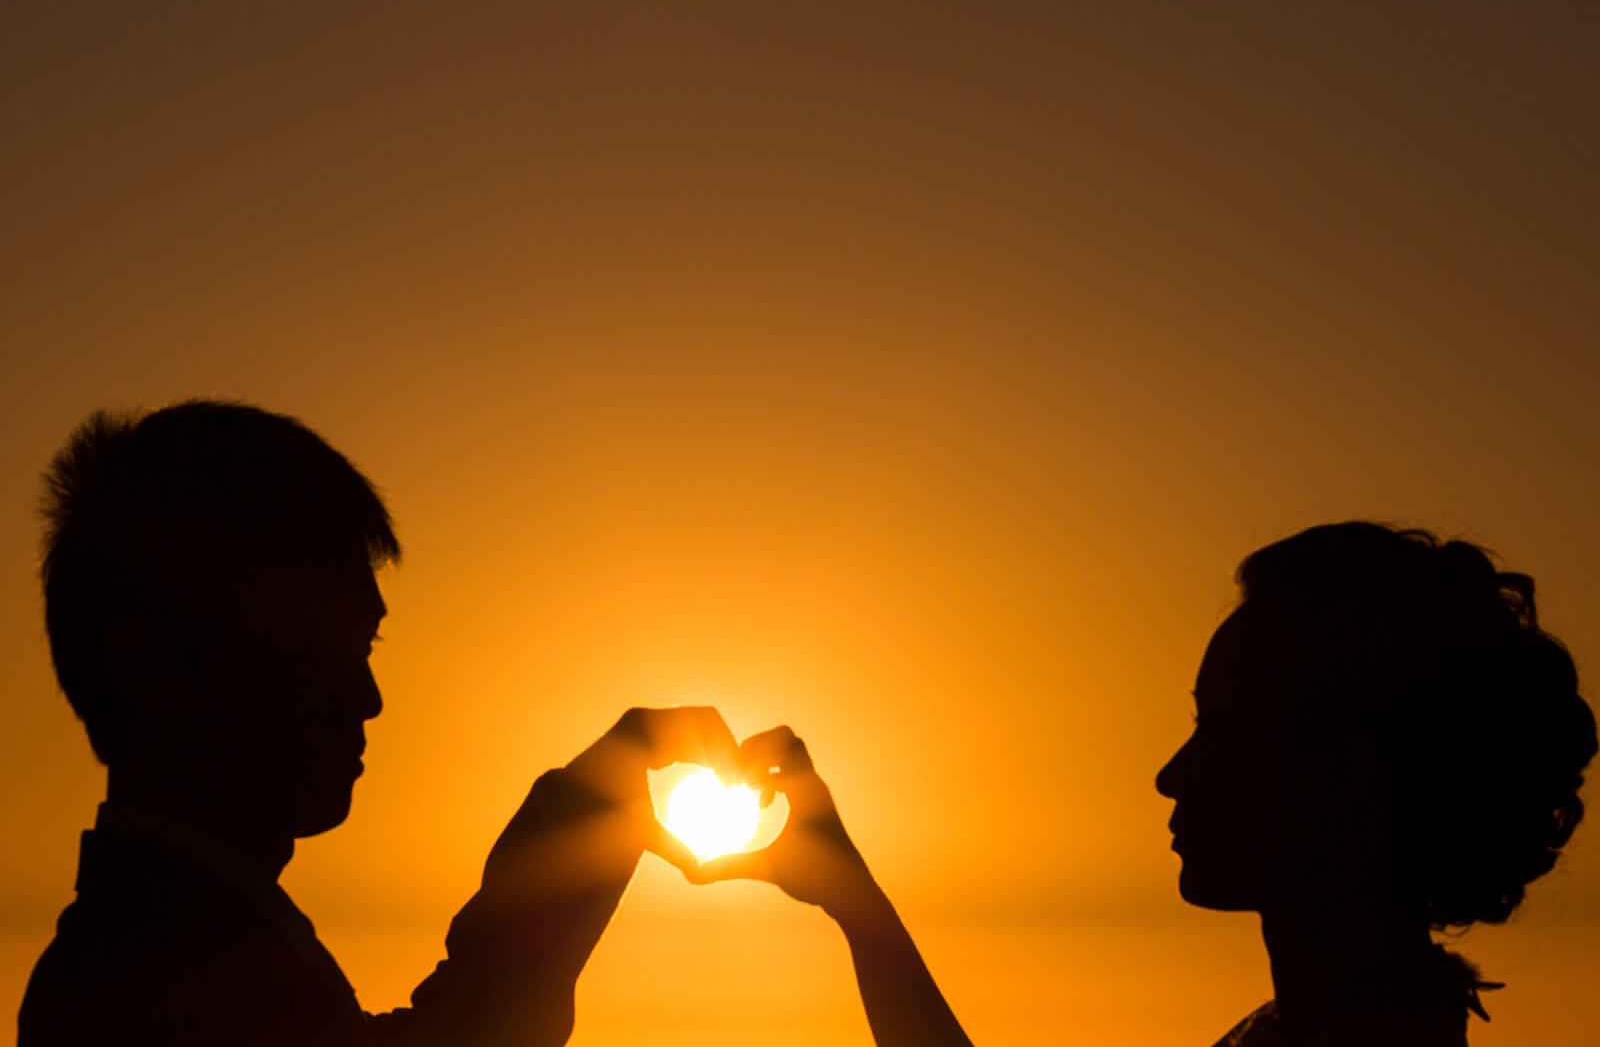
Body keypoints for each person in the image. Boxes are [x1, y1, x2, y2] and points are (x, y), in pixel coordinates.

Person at [701, 522, 1597, 1047]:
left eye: (1227, 727)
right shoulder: (1324, 1023)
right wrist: (853, 897)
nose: (1172, 774)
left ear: (1356, 774)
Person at [19, 399, 741, 1047]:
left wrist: (591, 810)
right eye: (314, 647)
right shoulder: (159, 988)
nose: (368, 698)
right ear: (152, 667)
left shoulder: (183, 954)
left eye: (363, 646)